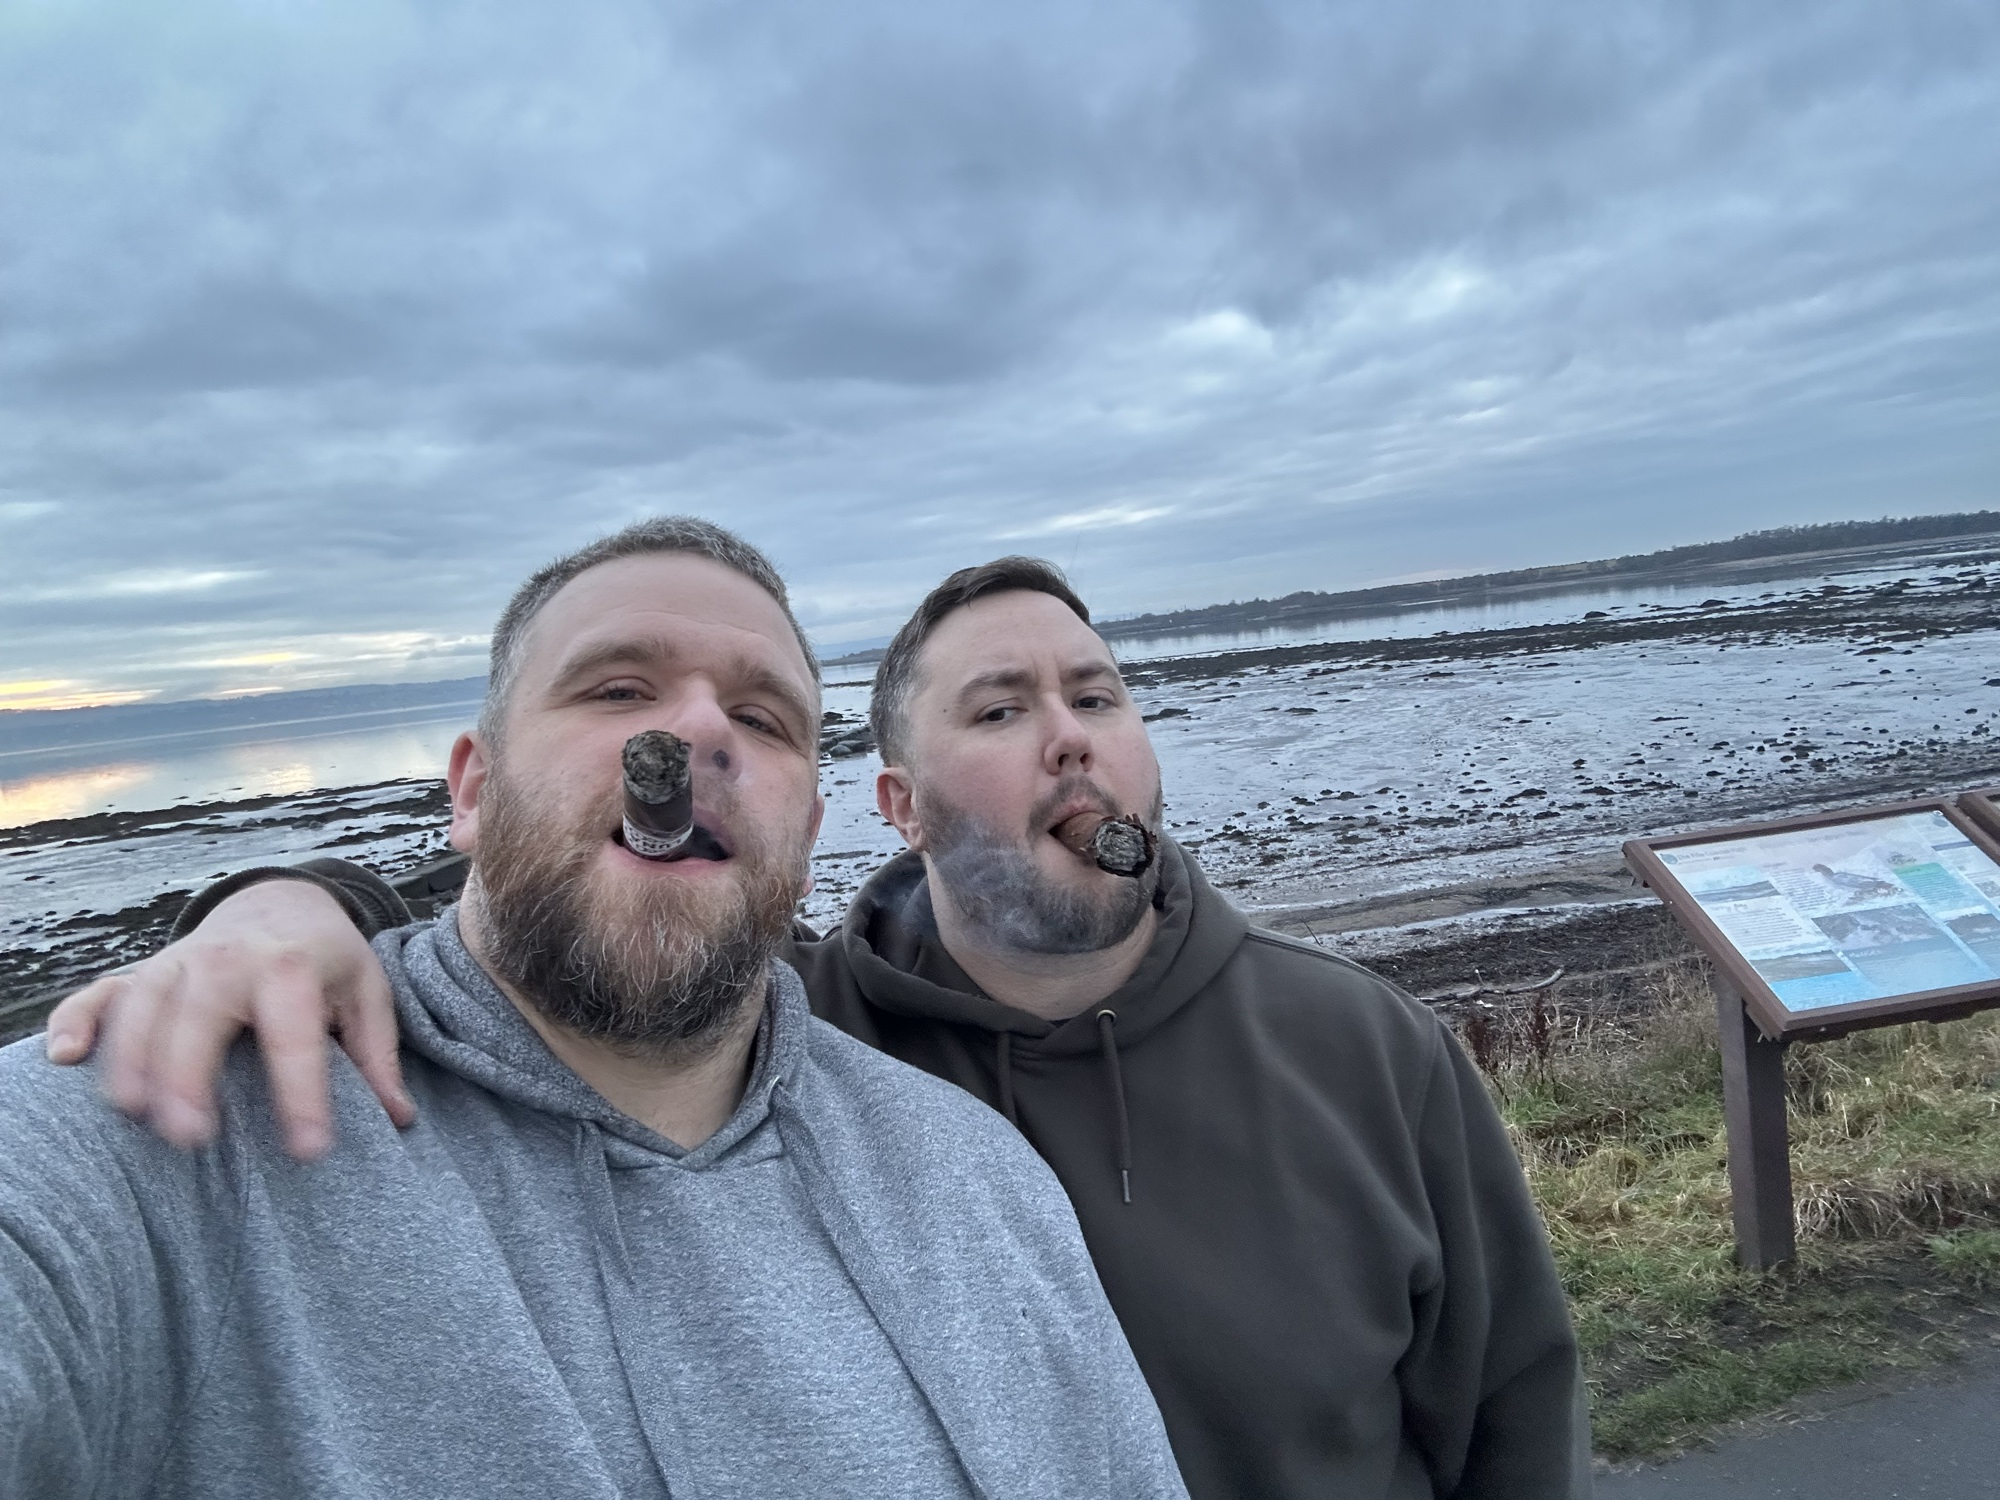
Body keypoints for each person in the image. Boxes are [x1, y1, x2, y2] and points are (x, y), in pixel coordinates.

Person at [51, 555, 1593, 1499]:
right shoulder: (816, 1048)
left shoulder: (1357, 1048)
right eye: (999, 710)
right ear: (896, 811)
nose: (1070, 737)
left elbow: (1519, 1415)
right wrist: (286, 903)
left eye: (1100, 694)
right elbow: (619, 920)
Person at [6, 522, 1186, 1500]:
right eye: (617, 688)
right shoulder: (156, 1119)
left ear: (810, 831)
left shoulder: (979, 1179)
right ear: (473, 789)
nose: (698, 732)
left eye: (764, 720)